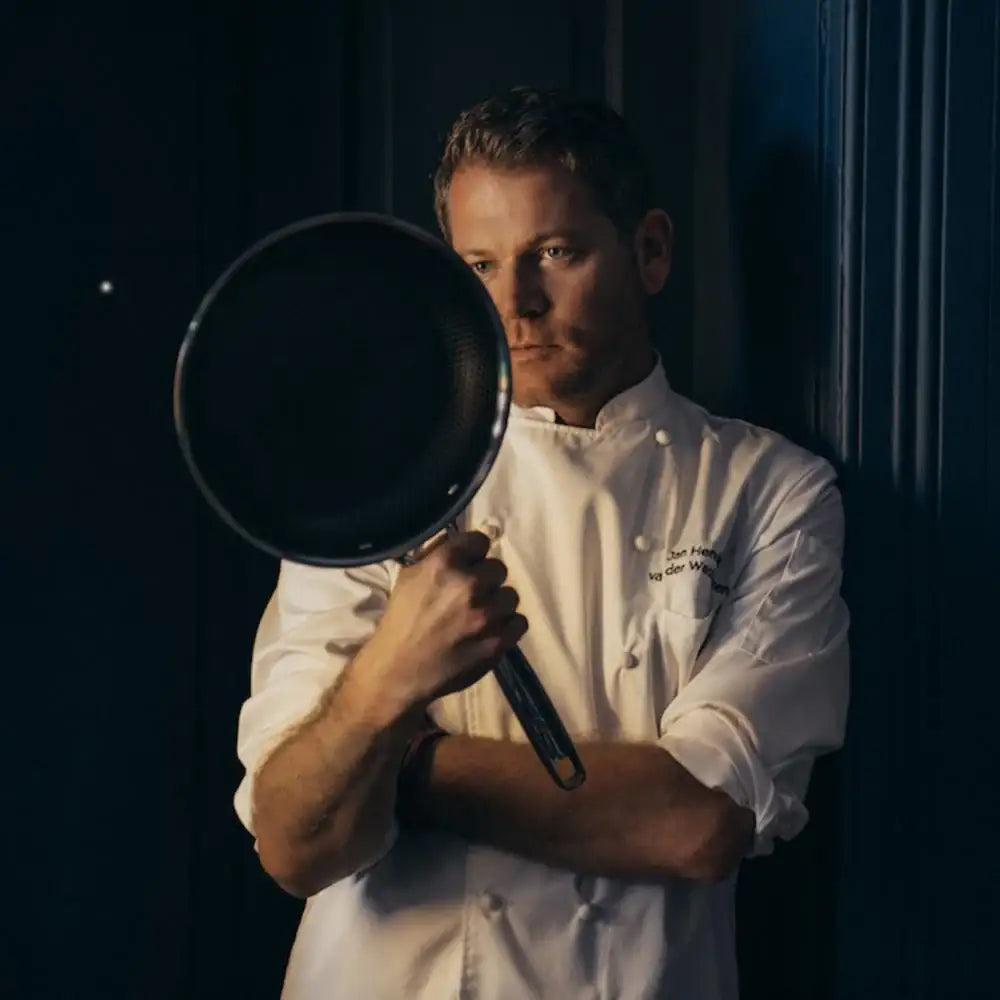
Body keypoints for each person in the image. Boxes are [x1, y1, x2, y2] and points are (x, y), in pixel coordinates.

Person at [233, 85, 850, 1000]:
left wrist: (404, 769)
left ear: (649, 251)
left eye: (553, 253)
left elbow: (694, 826)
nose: (513, 303)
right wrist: (393, 674)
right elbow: (296, 843)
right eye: (479, 265)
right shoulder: (376, 490)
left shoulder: (769, 492)